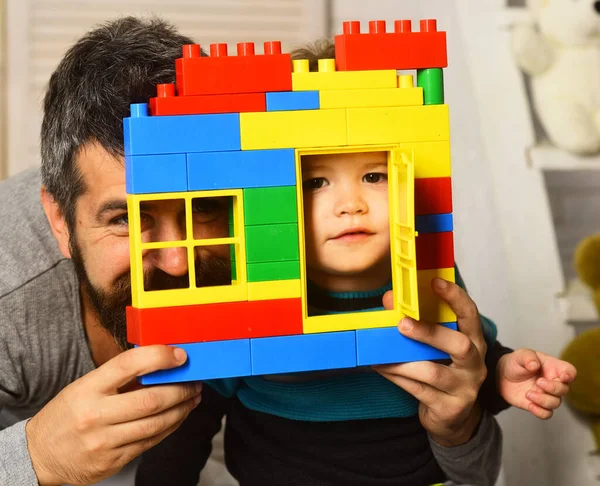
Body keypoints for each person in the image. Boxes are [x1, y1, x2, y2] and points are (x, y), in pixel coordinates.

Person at [133, 42, 577, 486]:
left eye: (373, 176)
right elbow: (187, 427)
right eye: (315, 182)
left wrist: (504, 373)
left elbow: (468, 361)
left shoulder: (430, 273)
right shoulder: (247, 295)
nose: (351, 204)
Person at [0, 17, 222, 486]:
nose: (176, 261)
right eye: (125, 220)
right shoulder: (8, 294)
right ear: (60, 221)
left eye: (201, 207)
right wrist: (37, 455)